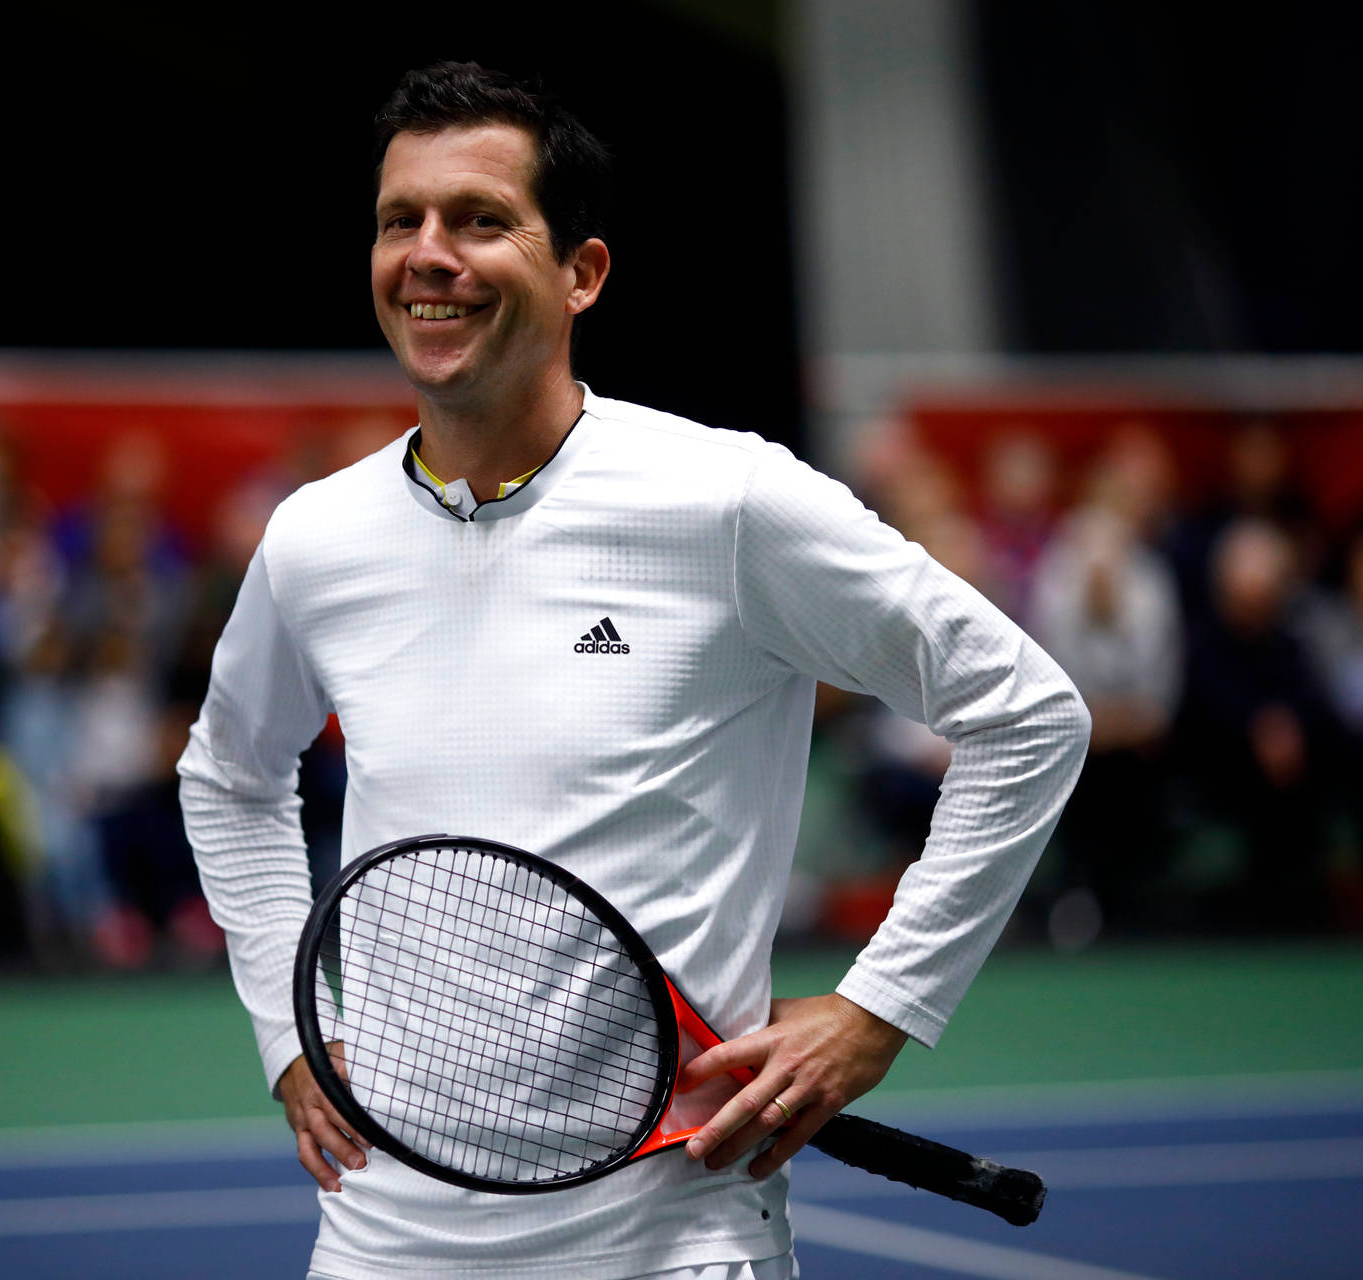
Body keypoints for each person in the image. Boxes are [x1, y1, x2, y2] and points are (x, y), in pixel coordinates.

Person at [179, 62, 1090, 1280]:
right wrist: (292, 1036)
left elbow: (1027, 714)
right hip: (384, 1241)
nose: (428, 255)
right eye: (403, 221)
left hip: (673, 1244)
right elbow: (229, 773)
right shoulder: (315, 540)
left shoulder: (727, 501)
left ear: (582, 273)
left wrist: (878, 1009)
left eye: (481, 220)